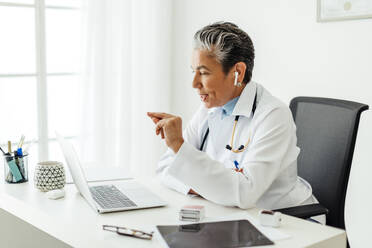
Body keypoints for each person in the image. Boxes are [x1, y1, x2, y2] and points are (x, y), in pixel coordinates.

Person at [147, 22, 318, 211]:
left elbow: (245, 193)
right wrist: (209, 187)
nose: (194, 83)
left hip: (286, 220)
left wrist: (179, 146)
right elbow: (164, 169)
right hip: (229, 214)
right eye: (193, 71)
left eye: (203, 72)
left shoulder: (273, 115)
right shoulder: (209, 109)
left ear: (238, 72)